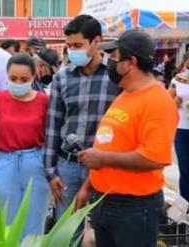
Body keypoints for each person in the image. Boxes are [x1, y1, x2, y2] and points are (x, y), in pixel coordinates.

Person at [76, 29, 179, 247]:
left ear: (130, 62)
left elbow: (154, 158)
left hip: (133, 208)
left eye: (113, 57)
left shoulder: (157, 102)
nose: (109, 62)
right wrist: (88, 186)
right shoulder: (125, 95)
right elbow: (106, 145)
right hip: (104, 201)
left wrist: (102, 159)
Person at [43, 14, 121, 236]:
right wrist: (51, 171)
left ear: (97, 41)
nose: (72, 51)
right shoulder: (62, 78)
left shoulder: (116, 76)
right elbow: (53, 125)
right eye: (69, 46)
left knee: (104, 229)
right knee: (66, 233)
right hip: (67, 166)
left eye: (78, 45)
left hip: (104, 165)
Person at [0, 53, 50, 238]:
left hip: (35, 161)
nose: (18, 83)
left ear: (33, 77)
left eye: (24, 79)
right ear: (6, 76)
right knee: (5, 224)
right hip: (5, 161)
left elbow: (49, 135)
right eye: (13, 78)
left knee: (34, 224)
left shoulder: (43, 100)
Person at [168, 51, 189, 201]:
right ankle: (185, 204)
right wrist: (174, 103)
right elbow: (168, 100)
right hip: (182, 128)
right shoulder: (177, 79)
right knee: (185, 168)